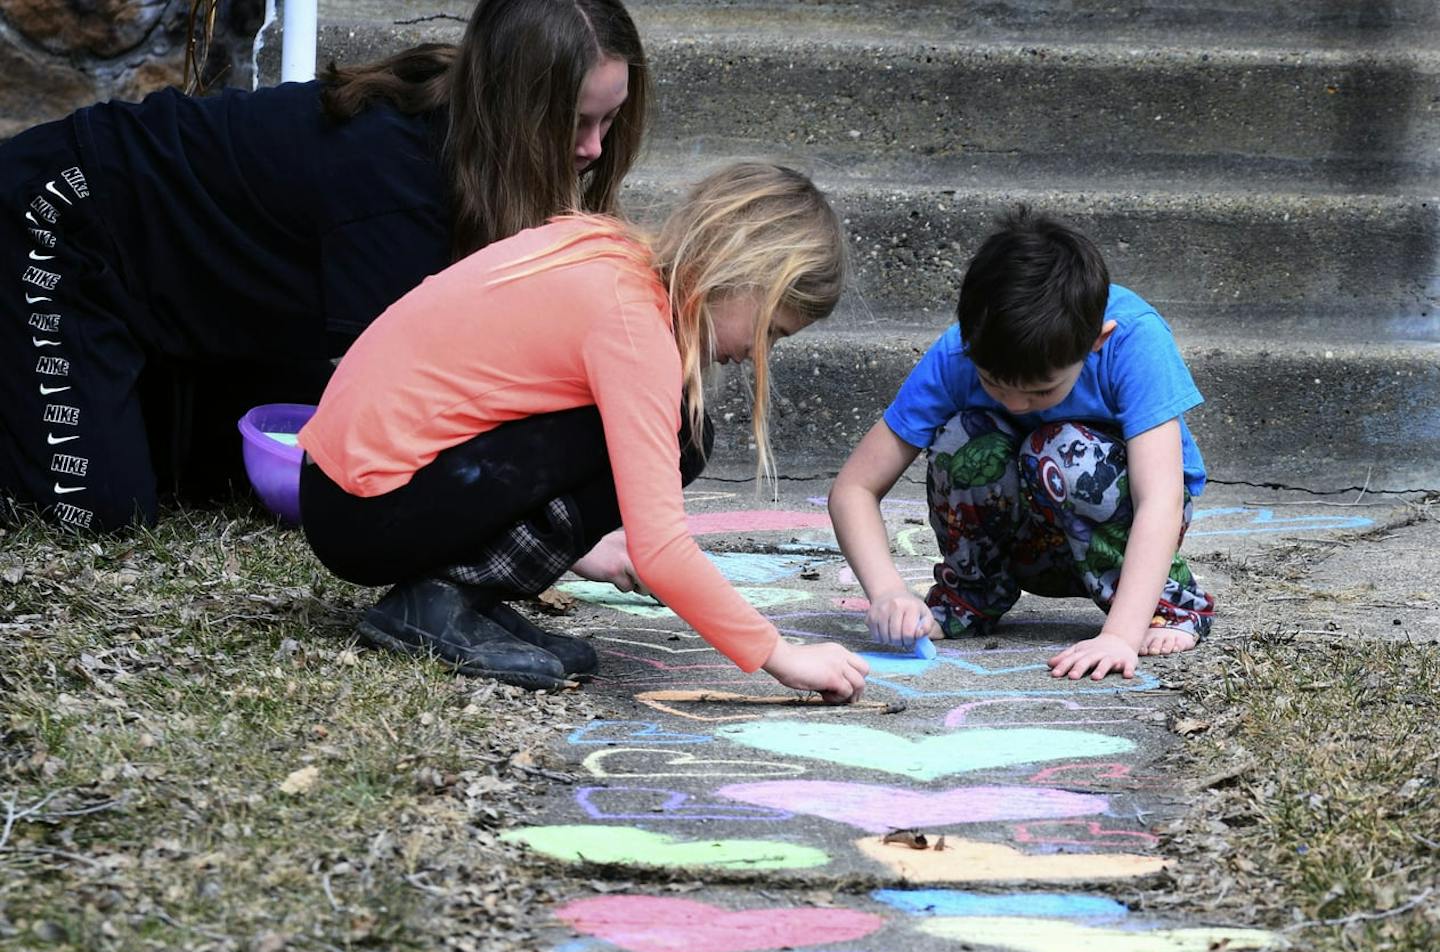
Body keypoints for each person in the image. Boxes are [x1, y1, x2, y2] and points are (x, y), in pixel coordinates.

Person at [0, 0, 647, 534]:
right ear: (510, 109)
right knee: (94, 511)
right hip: (58, 221)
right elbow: (429, 403)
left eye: (609, 119)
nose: (592, 147)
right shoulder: (395, 185)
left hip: (186, 287)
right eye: (571, 123)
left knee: (234, 477)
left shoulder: (467, 131)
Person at [297, 162, 871, 699]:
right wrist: (781, 654)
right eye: (771, 331)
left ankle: (466, 594)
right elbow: (662, 549)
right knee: (682, 435)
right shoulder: (633, 328)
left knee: (684, 429)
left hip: (346, 490)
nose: (754, 354)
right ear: (748, 276)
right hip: (366, 511)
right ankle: (442, 598)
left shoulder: (610, 254)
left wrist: (584, 546)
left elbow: (497, 403)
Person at [828, 208, 1215, 682]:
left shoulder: (1133, 339)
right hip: (1024, 541)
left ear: (1096, 341)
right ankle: (972, 597)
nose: (1015, 403)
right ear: (970, 344)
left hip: (1121, 540)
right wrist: (887, 591)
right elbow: (854, 489)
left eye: (1041, 391)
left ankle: (1167, 606)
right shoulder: (959, 353)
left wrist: (1121, 635)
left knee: (1056, 447)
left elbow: (1161, 497)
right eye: (993, 383)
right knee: (962, 437)